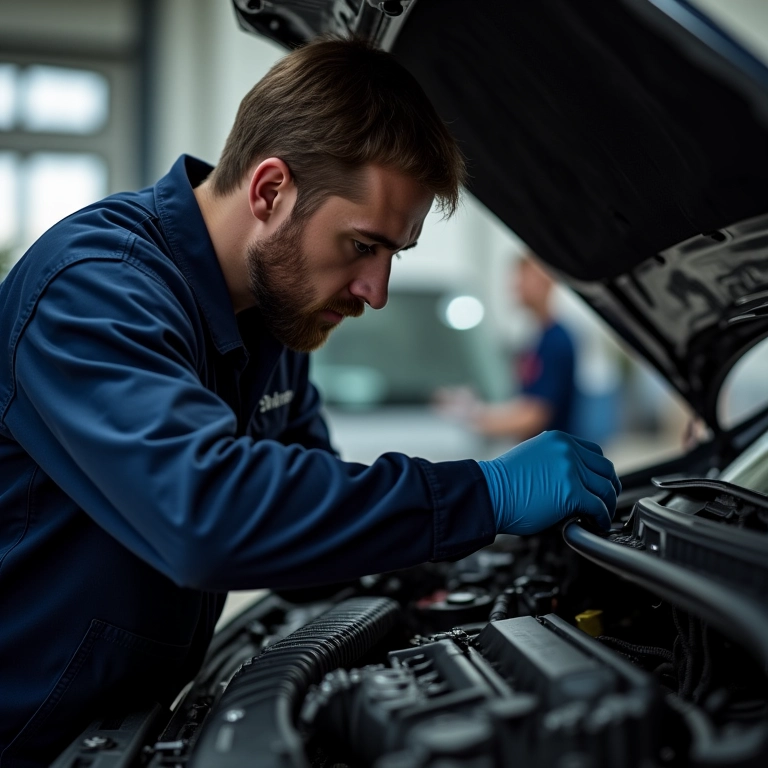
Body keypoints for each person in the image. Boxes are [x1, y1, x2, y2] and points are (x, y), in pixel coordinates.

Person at [0, 38, 620, 764]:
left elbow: (309, 526)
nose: (376, 291)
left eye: (394, 255)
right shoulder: (94, 290)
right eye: (362, 246)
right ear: (270, 191)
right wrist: (481, 494)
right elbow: (208, 516)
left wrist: (444, 564)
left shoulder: (274, 320)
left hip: (116, 727)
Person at [436, 253, 578, 442]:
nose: (517, 285)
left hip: (551, 452)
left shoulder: (556, 341)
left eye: (525, 277)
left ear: (547, 282)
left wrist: (475, 421)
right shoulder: (535, 338)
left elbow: (534, 415)